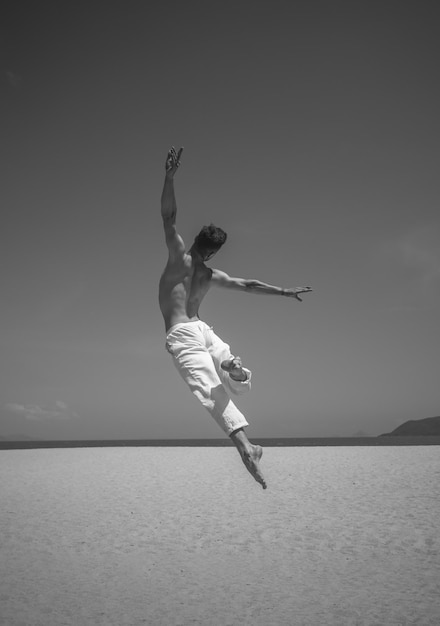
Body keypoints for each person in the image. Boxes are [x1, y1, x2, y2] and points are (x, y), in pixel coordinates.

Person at [159, 147, 312, 489]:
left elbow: (168, 217)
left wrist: (169, 177)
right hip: (203, 329)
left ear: (196, 239)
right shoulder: (211, 275)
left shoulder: (178, 260)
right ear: (212, 251)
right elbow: (248, 285)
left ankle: (246, 446)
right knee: (225, 362)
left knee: (208, 388)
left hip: (183, 333)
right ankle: (233, 367)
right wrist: (285, 291)